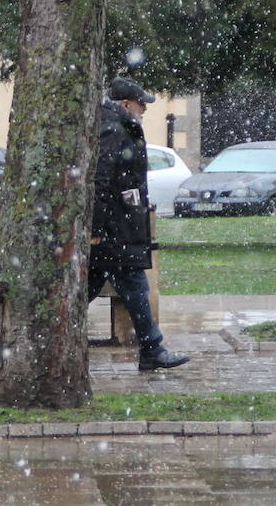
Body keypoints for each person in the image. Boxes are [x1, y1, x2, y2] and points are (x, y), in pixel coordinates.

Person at [90, 76, 190, 371]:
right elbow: (100, 179)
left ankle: (41, 338)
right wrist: (97, 228)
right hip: (115, 229)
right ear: (125, 104)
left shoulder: (119, 127)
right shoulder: (114, 130)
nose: (144, 109)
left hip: (119, 226)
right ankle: (152, 348)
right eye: (140, 104)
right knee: (134, 285)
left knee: (91, 285)